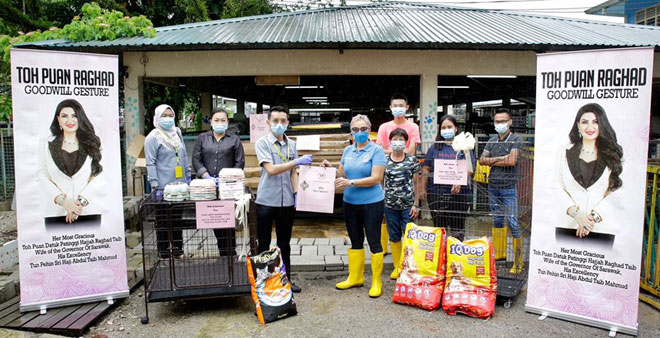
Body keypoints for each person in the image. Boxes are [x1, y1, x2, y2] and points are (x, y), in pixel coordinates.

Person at [322, 114, 386, 298]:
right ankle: (355, 277)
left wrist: (350, 183)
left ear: (369, 130)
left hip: (372, 202)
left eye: (363, 129)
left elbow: (376, 178)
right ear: (351, 132)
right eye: (355, 129)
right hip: (350, 203)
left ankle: (376, 281)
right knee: (355, 239)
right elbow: (342, 172)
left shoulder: (377, 151)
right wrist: (330, 168)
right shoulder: (348, 151)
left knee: (374, 241)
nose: (359, 133)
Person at [255, 106, 313, 293]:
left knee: (284, 243)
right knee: (263, 243)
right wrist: (296, 161)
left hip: (286, 202)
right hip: (266, 200)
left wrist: (296, 194)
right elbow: (271, 170)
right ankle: (263, 281)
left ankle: (286, 279)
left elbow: (293, 173)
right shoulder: (262, 143)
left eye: (283, 121)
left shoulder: (292, 144)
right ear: (268, 123)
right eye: (275, 121)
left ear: (288, 122)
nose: (279, 124)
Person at [555, 103, 623, 242]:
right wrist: (576, 214)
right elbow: (556, 186)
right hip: (568, 226)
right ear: (578, 125)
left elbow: (618, 189)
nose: (590, 127)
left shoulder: (613, 154)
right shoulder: (563, 151)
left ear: (602, 125)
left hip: (600, 228)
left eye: (596, 122)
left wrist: (592, 218)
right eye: (585, 122)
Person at [38, 99, 104, 223]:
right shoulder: (45, 144)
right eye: (64, 116)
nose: (70, 120)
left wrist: (79, 203)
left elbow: (100, 174)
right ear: (58, 119)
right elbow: (42, 176)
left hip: (87, 212)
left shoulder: (92, 143)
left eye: (74, 116)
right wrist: (63, 201)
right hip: (56, 213)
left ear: (80, 118)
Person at [192, 108, 245, 256]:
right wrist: (206, 176)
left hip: (228, 188)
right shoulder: (203, 138)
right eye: (216, 120)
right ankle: (223, 252)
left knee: (228, 220)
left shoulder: (234, 139)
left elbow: (239, 162)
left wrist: (227, 179)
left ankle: (230, 253)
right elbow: (196, 159)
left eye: (223, 120)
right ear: (211, 122)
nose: (219, 123)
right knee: (214, 219)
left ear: (228, 123)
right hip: (207, 188)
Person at [479, 108, 524, 273]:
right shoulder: (492, 140)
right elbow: (482, 160)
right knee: (497, 220)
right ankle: (499, 255)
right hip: (493, 186)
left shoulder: (516, 139)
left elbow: (512, 161)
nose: (500, 124)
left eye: (503, 121)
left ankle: (518, 262)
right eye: (497, 121)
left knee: (513, 222)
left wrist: (492, 160)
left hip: (509, 187)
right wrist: (500, 159)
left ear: (510, 122)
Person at [145, 104, 192, 259]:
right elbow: (150, 162)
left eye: (170, 115)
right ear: (157, 117)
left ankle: (178, 249)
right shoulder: (152, 137)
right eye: (164, 116)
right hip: (163, 186)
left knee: (177, 218)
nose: (168, 119)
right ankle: (164, 251)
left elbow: (183, 155)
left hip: (179, 184)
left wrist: (188, 175)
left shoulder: (177, 133)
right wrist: (155, 185)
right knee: (163, 219)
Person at [420, 115, 475, 241]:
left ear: (456, 128)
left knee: (457, 230)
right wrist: (422, 187)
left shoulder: (464, 147)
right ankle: (442, 258)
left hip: (459, 194)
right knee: (440, 230)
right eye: (443, 127)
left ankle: (455, 258)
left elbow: (470, 168)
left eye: (449, 127)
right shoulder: (435, 147)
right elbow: (426, 168)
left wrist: (459, 181)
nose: (446, 129)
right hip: (436, 194)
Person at [383, 128, 420, 280]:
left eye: (401, 139)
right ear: (390, 142)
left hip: (408, 206)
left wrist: (416, 204)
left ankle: (409, 266)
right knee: (394, 236)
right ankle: (397, 266)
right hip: (390, 205)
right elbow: (380, 183)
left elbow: (417, 183)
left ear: (406, 142)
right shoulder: (384, 160)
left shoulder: (412, 160)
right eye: (395, 139)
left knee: (410, 236)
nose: (397, 142)